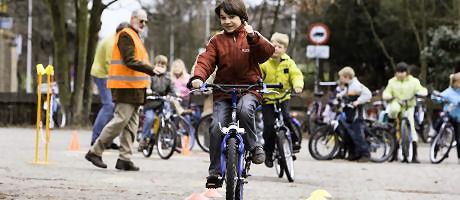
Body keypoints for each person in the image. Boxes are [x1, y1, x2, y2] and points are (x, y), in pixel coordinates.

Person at [189, 0, 275, 188]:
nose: (227, 21)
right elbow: (206, 61)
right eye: (223, 18)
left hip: (249, 88)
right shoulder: (217, 40)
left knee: (245, 110)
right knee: (215, 127)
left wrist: (254, 38)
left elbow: (266, 53)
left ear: (242, 17)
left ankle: (253, 146)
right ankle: (215, 172)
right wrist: (198, 77)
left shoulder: (251, 36)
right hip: (223, 91)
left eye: (231, 17)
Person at [85, 9, 155, 171]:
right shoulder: (126, 35)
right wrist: (152, 70)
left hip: (135, 89)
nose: (143, 24)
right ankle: (95, 151)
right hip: (126, 88)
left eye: (145, 21)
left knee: (131, 124)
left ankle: (124, 158)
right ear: (132, 19)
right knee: (120, 121)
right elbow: (130, 61)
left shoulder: (135, 36)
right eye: (141, 20)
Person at [259, 32, 304, 168]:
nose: (276, 48)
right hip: (267, 98)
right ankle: (268, 153)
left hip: (283, 96)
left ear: (285, 49)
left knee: (286, 117)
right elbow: (257, 75)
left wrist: (297, 86)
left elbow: (296, 75)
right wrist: (257, 84)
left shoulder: (288, 62)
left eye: (280, 46)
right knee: (268, 126)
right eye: (273, 45)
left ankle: (295, 140)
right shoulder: (264, 62)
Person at [89, 22, 130, 149]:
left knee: (114, 108)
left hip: (108, 75)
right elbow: (109, 64)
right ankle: (96, 139)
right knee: (109, 106)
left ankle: (106, 139)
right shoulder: (112, 43)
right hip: (101, 75)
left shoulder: (117, 41)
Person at [382, 62, 428, 163]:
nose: (400, 74)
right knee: (394, 112)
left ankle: (414, 156)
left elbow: (421, 90)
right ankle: (393, 152)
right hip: (397, 104)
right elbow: (386, 92)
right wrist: (387, 96)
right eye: (398, 72)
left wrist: (422, 93)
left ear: (406, 72)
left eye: (402, 72)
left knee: (412, 127)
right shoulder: (392, 82)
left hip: (409, 106)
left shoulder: (414, 81)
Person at [335, 67, 372, 162]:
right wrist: (340, 95)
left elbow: (368, 94)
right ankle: (354, 154)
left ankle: (365, 155)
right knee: (349, 134)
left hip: (357, 115)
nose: (340, 79)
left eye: (341, 77)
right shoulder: (350, 85)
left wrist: (358, 102)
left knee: (357, 135)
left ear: (347, 77)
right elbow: (347, 93)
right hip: (350, 113)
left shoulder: (356, 85)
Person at [139, 55, 176, 149]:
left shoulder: (168, 78)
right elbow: (146, 85)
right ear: (154, 65)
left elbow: (172, 89)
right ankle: (144, 139)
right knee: (150, 118)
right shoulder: (150, 76)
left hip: (161, 103)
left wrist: (173, 94)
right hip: (150, 103)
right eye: (158, 64)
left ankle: (163, 137)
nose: (160, 66)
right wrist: (148, 91)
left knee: (166, 117)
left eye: (163, 64)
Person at [439, 73, 460, 164]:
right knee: (439, 126)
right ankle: (435, 144)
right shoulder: (449, 91)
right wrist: (438, 98)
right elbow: (439, 97)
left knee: (459, 138)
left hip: (458, 118)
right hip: (448, 115)